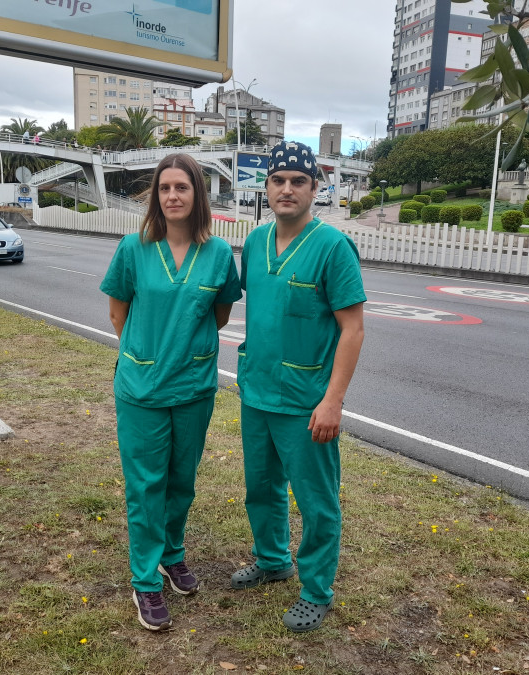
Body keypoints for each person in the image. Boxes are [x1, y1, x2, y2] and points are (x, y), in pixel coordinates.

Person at [100, 153, 242, 631]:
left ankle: (171, 553)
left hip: (194, 386)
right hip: (141, 387)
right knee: (146, 486)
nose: (173, 196)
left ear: (198, 194)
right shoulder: (133, 248)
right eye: (165, 188)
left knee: (182, 481)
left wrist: (184, 351)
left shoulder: (219, 254)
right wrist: (146, 356)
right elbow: (119, 314)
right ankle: (145, 580)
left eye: (182, 187)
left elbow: (218, 315)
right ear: (155, 196)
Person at [231, 141, 366, 632]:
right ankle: (271, 561)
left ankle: (316, 589)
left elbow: (352, 329)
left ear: (316, 189)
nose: (287, 189)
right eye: (278, 180)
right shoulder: (255, 243)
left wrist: (333, 401)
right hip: (258, 391)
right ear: (266, 187)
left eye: (299, 181)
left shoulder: (332, 247)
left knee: (316, 500)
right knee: (261, 488)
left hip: (306, 401)